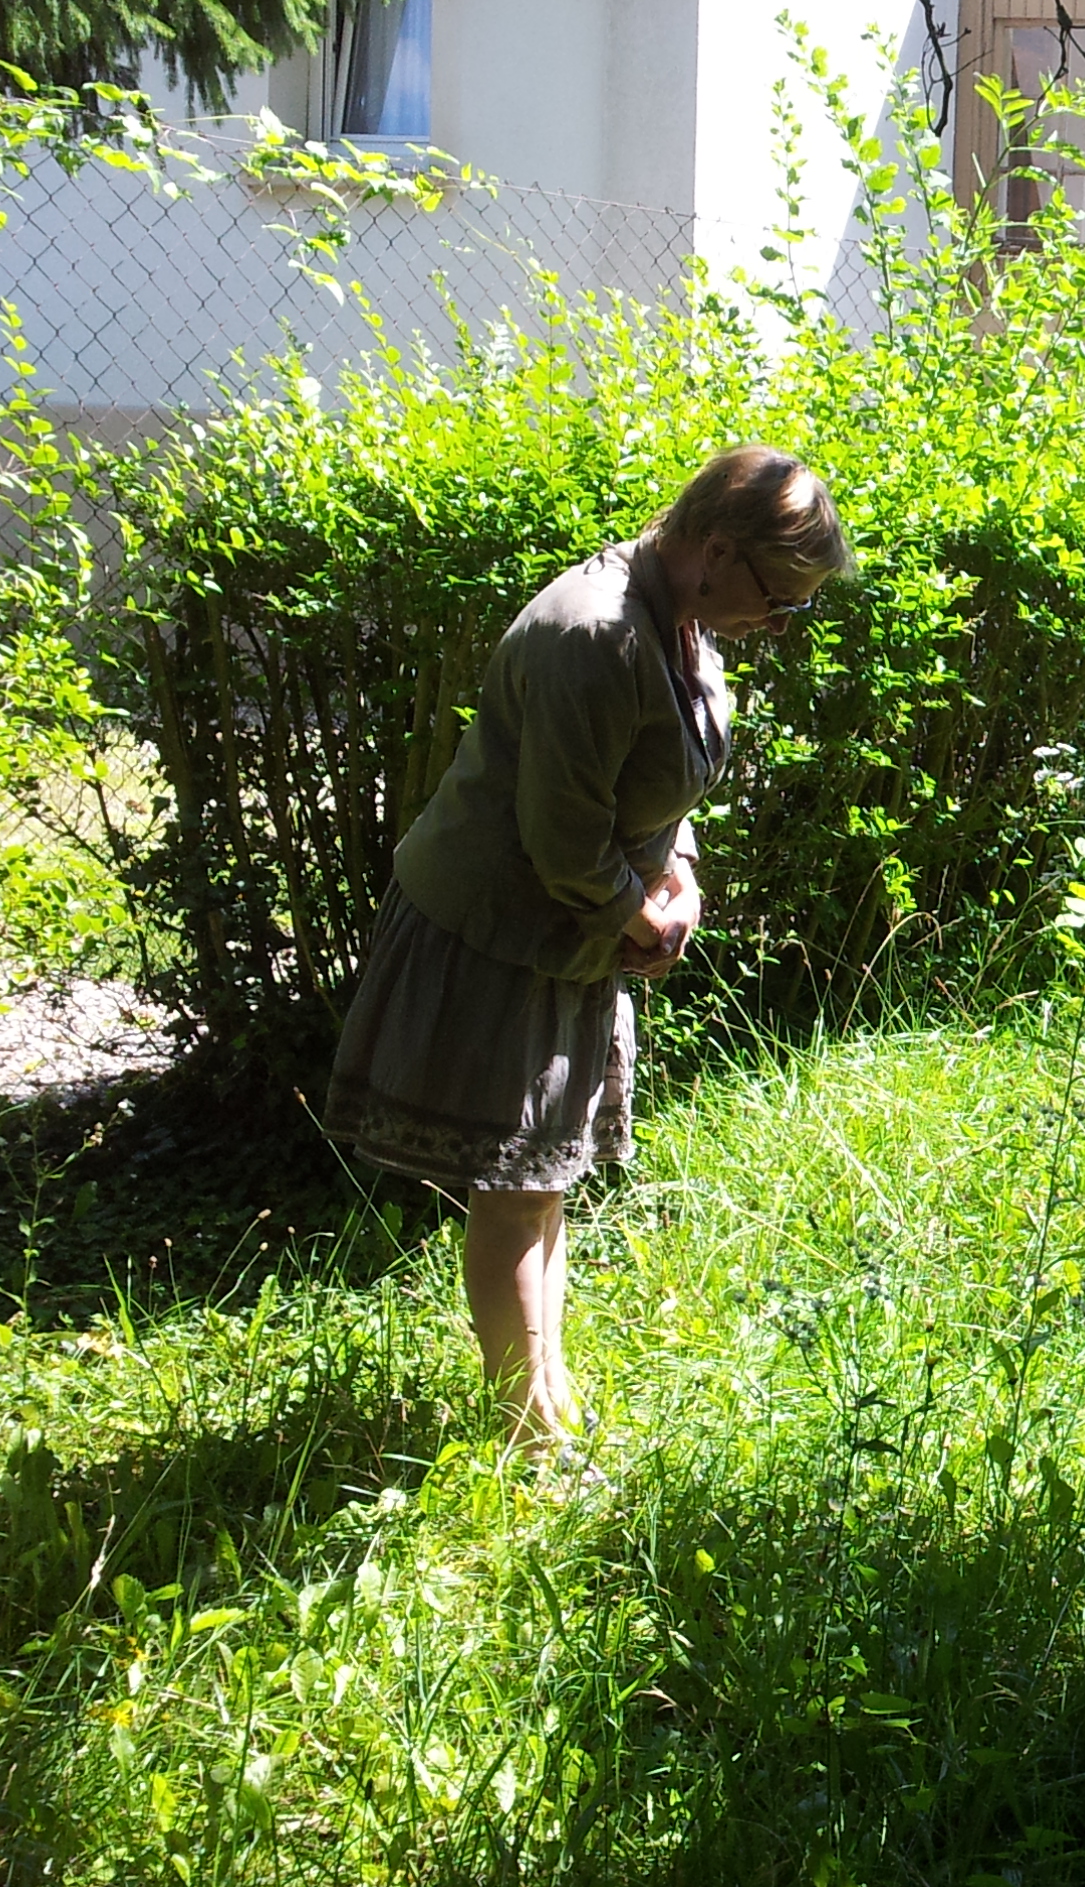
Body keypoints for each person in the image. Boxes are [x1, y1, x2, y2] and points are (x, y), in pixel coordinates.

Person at [324, 445, 848, 1453]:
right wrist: (639, 920)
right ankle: (532, 1442)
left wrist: (680, 877)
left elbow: (659, 784)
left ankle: (547, 1397)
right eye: (779, 598)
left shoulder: (682, 620)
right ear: (716, 548)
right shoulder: (595, 638)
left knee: (543, 1182)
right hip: (498, 934)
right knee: (516, 1192)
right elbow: (563, 842)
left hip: (575, 932)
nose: (782, 626)